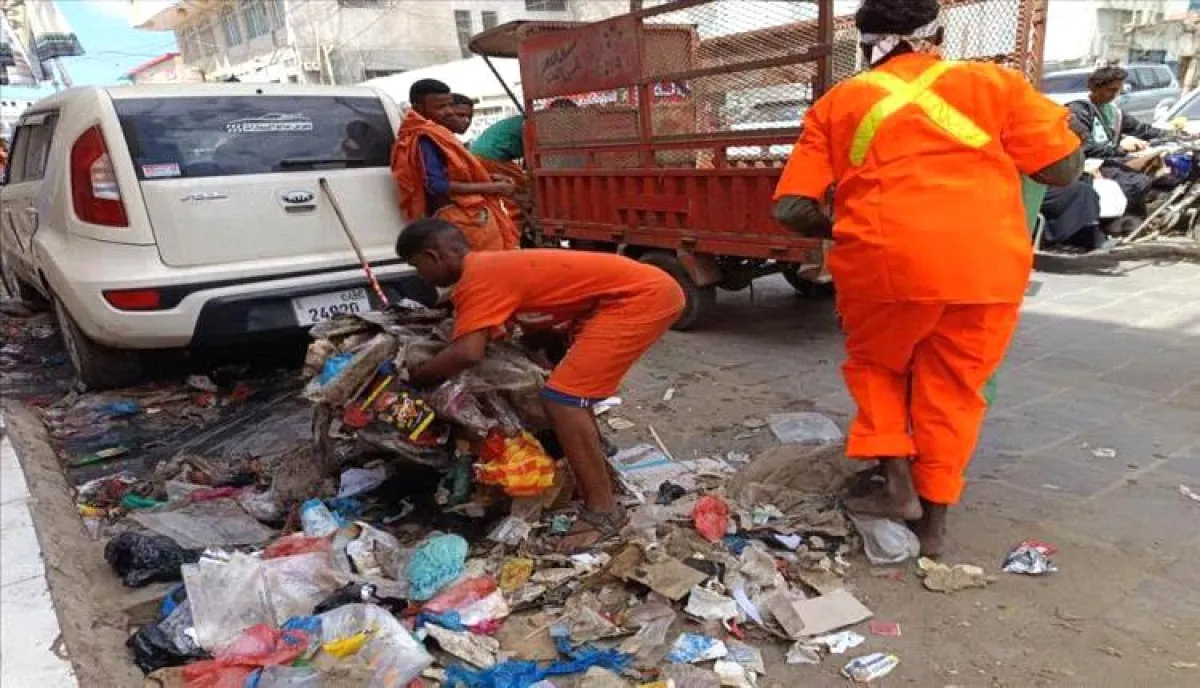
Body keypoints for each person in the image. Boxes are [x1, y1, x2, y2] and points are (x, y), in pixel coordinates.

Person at [771, 0, 1083, 556]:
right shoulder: (995, 84)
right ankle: (934, 522)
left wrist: (844, 223)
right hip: (988, 267)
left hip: (886, 266)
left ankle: (896, 486)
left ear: (865, 44)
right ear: (936, 35)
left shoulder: (838, 103)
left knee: (878, 367)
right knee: (955, 390)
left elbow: (792, 207)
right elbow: (1061, 169)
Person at [395, 218, 684, 550]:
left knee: (562, 399)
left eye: (418, 267)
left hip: (640, 298)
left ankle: (603, 511)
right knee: (566, 389)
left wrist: (414, 378)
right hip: (638, 292)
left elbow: (467, 352)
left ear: (433, 256)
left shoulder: (478, 277)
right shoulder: (491, 266)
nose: (421, 277)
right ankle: (600, 477)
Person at [390, 78, 519, 251]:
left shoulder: (436, 132)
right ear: (418, 107)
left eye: (449, 105)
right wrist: (493, 187)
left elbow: (457, 173)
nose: (448, 112)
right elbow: (436, 185)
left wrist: (490, 179)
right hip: (457, 218)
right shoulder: (424, 137)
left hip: (466, 216)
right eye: (440, 108)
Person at [1068, 66, 1162, 214]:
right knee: (1136, 182)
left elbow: (1140, 128)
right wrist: (1122, 149)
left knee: (1158, 168)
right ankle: (1118, 223)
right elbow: (1086, 147)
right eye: (1111, 90)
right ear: (1095, 87)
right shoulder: (1079, 110)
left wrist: (1170, 133)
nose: (1115, 95)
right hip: (1088, 165)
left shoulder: (1113, 111)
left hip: (1110, 159)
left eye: (1117, 90)